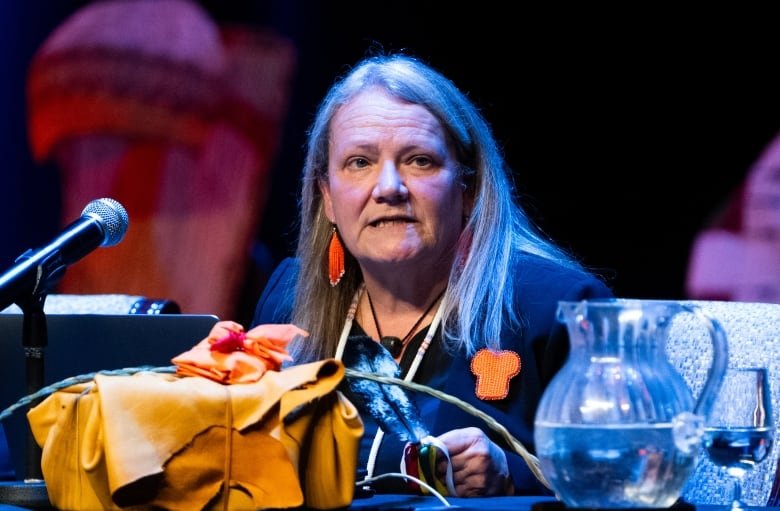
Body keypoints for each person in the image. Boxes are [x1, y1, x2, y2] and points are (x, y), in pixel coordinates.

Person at [252, 52, 613, 497]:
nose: (388, 188)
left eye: (419, 160)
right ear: (327, 195)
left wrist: (512, 476)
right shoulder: (289, 298)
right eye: (359, 163)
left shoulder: (558, 308)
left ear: (468, 187)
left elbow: (623, 480)